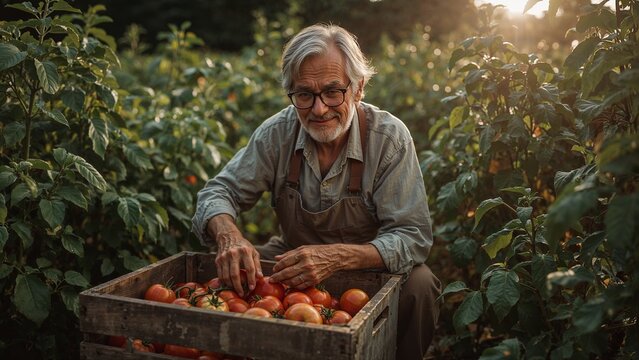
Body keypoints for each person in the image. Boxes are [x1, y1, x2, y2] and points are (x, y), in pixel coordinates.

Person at [192, 24, 441, 360]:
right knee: (231, 278)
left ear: (358, 88)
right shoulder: (278, 133)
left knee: (420, 286)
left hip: (370, 269)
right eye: (304, 95)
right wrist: (229, 237)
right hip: (293, 258)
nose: (319, 109)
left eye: (332, 92)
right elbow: (218, 192)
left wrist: (338, 257)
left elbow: (413, 236)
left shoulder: (388, 139)